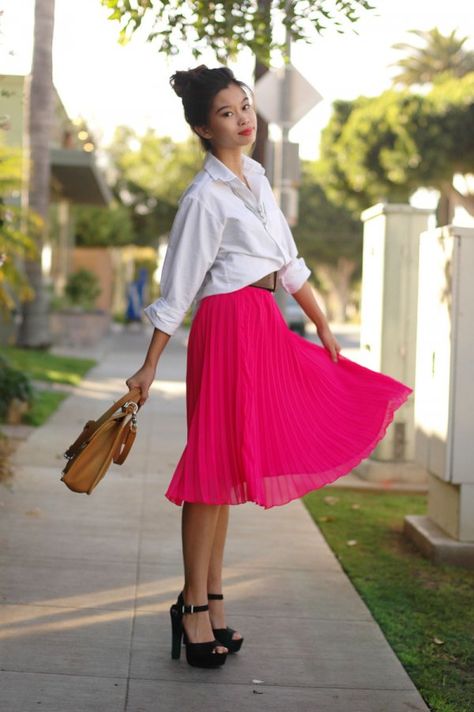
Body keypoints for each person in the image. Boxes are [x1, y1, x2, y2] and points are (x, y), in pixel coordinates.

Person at [125, 65, 413, 669]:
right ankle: (193, 608)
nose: (243, 118)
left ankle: (212, 601)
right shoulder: (204, 197)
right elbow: (178, 287)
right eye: (227, 113)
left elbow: (291, 264)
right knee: (210, 472)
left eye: (245, 106)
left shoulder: (257, 178)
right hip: (226, 327)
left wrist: (326, 323)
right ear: (205, 128)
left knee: (229, 468)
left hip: (263, 324)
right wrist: (148, 366)